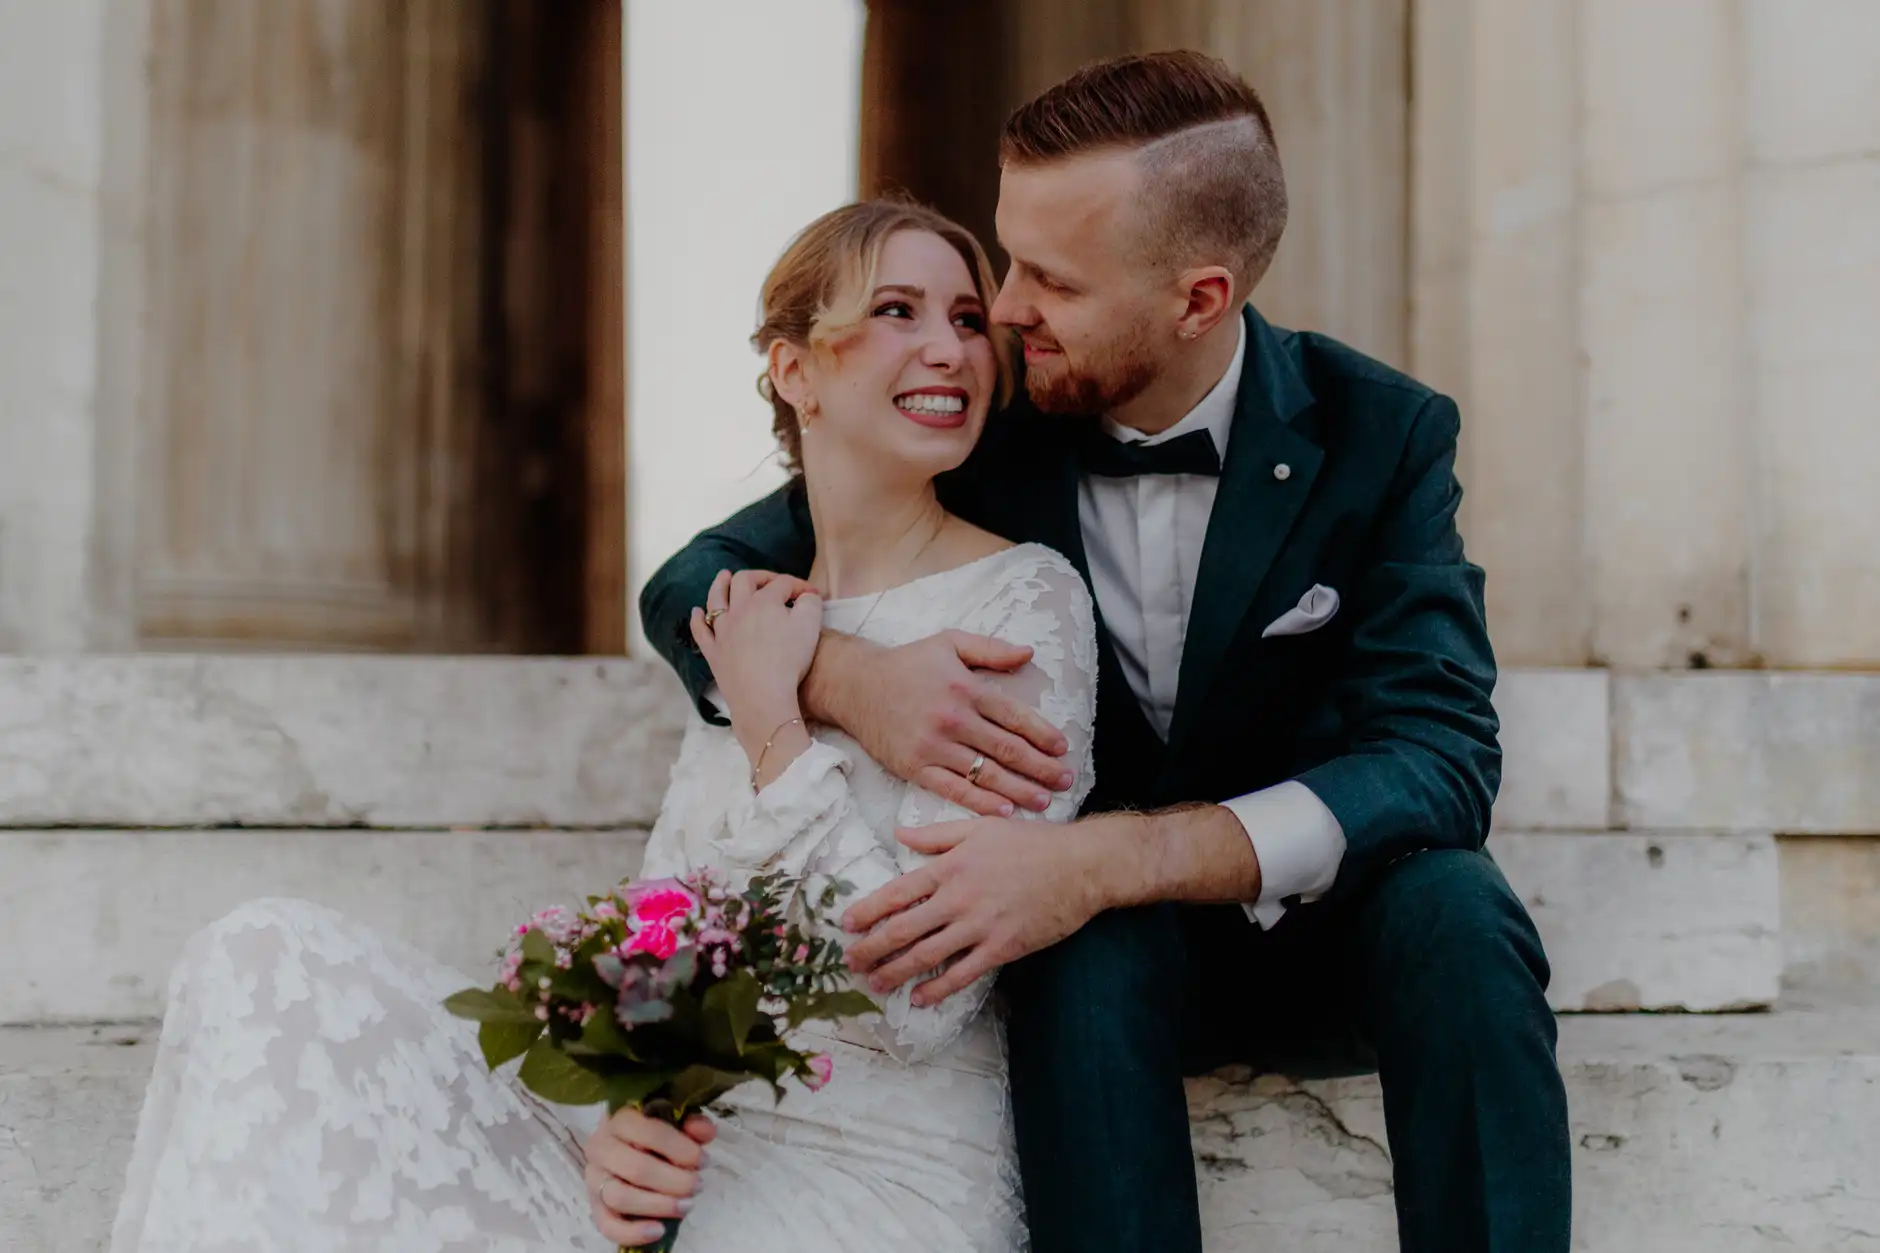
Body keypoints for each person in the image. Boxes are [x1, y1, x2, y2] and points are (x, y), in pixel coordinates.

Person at [637, 50, 1571, 1253]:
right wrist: (847, 679)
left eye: (1050, 278)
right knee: (1083, 943)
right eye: (1006, 253)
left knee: (1459, 907)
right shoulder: (984, 420)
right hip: (1096, 964)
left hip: (1321, 924)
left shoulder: (1378, 431)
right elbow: (686, 583)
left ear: (1197, 297)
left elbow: (1438, 757)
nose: (1004, 307)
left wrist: (1109, 858)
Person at [109, 200, 1098, 1252]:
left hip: (875, 1179)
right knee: (262, 956)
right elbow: (675, 929)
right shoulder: (750, 615)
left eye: (961, 317)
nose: (949, 346)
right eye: (897, 310)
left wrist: (776, 725)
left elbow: (922, 1003)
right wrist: (627, 1106)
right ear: (795, 371)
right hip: (697, 1146)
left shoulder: (1021, 603)